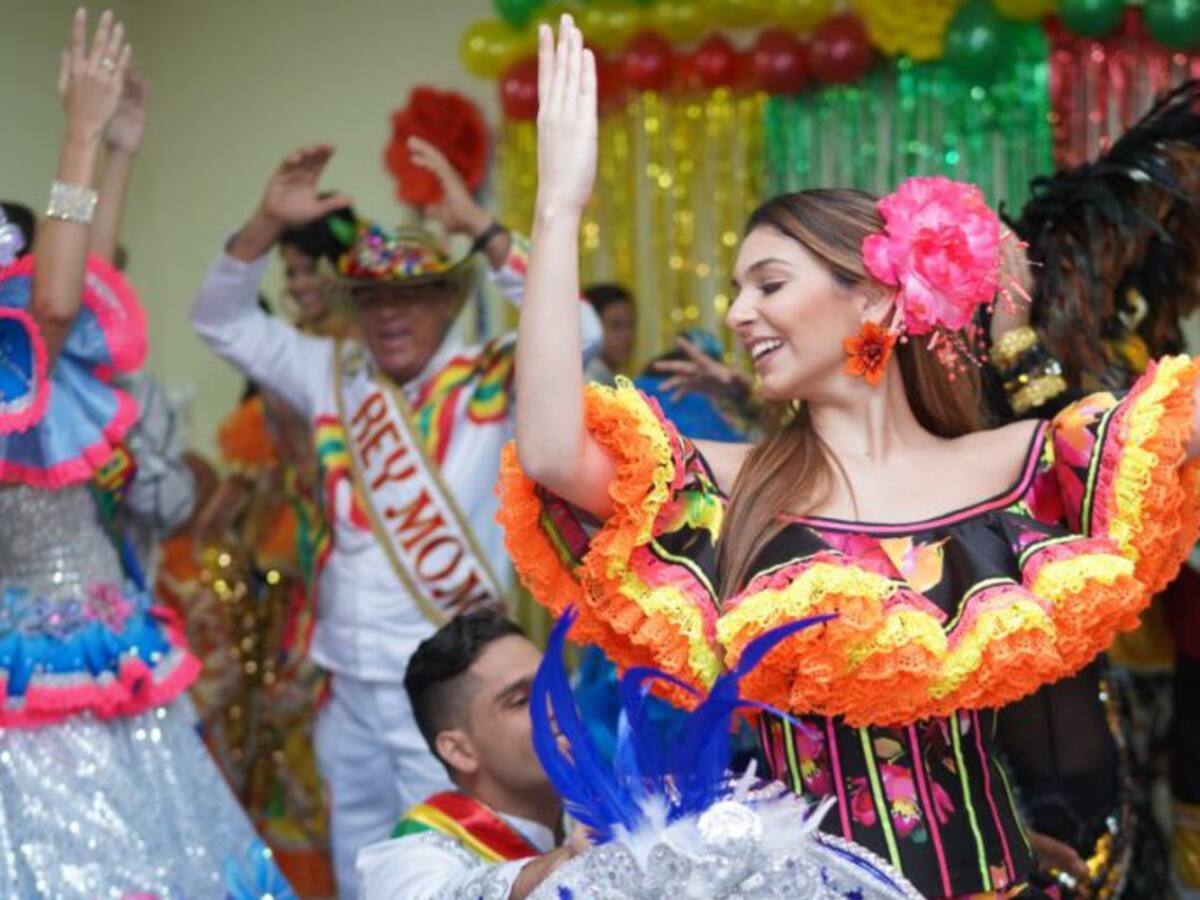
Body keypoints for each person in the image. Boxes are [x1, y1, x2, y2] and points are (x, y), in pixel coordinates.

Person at [497, 16, 1200, 899]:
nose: (738, 314)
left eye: (768, 283)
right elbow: (551, 448)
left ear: (872, 298)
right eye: (736, 291)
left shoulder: (1024, 465)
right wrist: (558, 208)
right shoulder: (728, 487)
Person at [190, 138, 602, 897]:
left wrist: (478, 225)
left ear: (447, 300)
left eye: (411, 295)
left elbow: (581, 330)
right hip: (346, 677)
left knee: (463, 865)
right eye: (373, 298)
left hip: (450, 685)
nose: (390, 314)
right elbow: (218, 320)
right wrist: (266, 222)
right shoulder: (330, 371)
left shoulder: (491, 373)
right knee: (359, 862)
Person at [0, 10, 283, 896]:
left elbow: (79, 289)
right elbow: (54, 306)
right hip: (46, 661)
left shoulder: (35, 366)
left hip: (100, 635)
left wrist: (117, 152)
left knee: (165, 851)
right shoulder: (16, 368)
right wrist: (80, 137)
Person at [357, 611, 584, 899]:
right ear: (460, 751)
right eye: (521, 701)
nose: (557, 705)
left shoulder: (585, 814)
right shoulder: (409, 859)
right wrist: (571, 863)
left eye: (557, 684)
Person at [583, 282, 635, 385]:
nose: (627, 335)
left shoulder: (614, 379)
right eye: (616, 326)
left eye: (631, 325)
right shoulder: (585, 383)